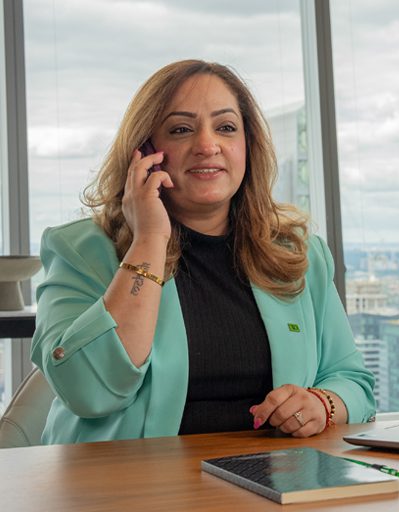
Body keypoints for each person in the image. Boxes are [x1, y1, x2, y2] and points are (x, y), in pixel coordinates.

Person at [31, 60, 375, 444]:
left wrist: (322, 403)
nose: (208, 146)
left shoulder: (297, 253)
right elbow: (89, 391)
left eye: (226, 128)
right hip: (129, 490)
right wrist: (148, 240)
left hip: (273, 485)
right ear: (143, 152)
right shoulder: (82, 251)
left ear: (248, 146)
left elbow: (354, 384)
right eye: (181, 129)